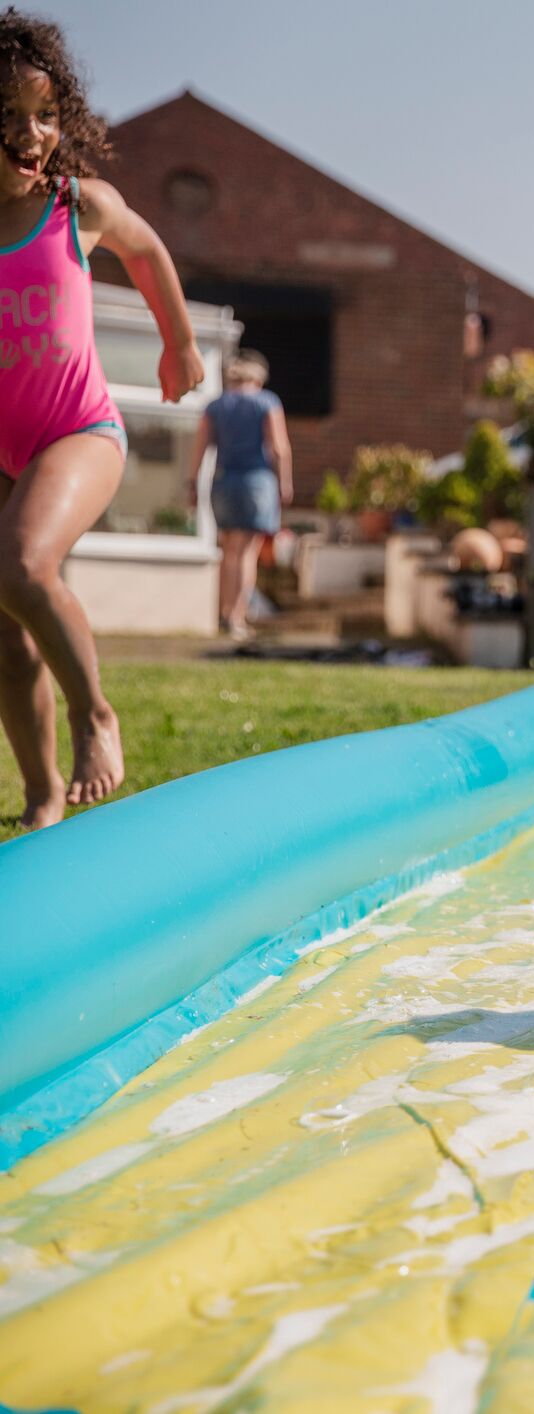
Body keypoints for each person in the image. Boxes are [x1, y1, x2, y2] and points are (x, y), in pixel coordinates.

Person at [0, 10, 203, 829]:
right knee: (8, 641)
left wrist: (180, 345)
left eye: (44, 113)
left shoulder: (74, 206)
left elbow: (148, 250)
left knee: (18, 564)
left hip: (78, 432)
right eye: (7, 116)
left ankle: (97, 716)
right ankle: (43, 799)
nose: (31, 133)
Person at [186, 349, 292, 641]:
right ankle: (238, 617)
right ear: (258, 377)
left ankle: (223, 614)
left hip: (222, 482)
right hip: (256, 482)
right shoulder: (266, 402)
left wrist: (192, 484)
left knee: (229, 550)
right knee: (247, 552)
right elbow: (279, 447)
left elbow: (200, 447)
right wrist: (285, 483)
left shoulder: (215, 406)